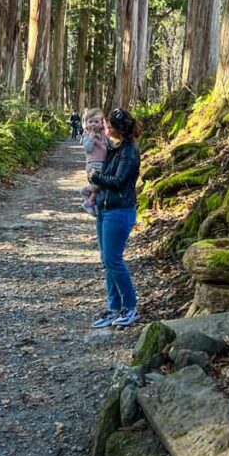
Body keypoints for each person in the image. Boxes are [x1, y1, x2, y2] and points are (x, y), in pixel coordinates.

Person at [90, 107, 141, 329]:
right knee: (106, 261)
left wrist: (96, 178)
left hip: (119, 211)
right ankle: (113, 308)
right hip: (105, 208)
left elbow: (118, 181)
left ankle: (130, 308)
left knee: (113, 260)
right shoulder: (115, 148)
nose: (106, 128)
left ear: (119, 129)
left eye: (109, 125)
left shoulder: (129, 152)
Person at [79, 107, 107, 216]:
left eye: (96, 122)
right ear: (86, 123)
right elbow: (88, 148)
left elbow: (106, 149)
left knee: (101, 185)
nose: (93, 124)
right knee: (99, 184)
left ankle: (87, 190)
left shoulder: (103, 136)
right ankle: (90, 202)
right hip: (93, 164)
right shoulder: (86, 135)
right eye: (90, 122)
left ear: (101, 123)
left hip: (103, 164)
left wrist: (100, 142)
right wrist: (91, 138)